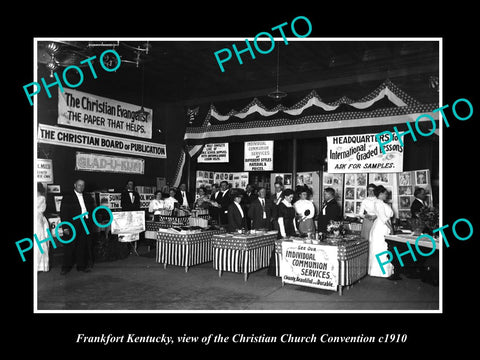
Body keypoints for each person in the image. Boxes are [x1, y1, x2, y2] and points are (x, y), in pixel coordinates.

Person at [59, 179, 95, 274]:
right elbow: (63, 213)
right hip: (73, 224)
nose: (81, 187)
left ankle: (81, 267)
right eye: (79, 185)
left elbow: (91, 210)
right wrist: (65, 227)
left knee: (82, 246)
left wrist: (90, 222)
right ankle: (65, 268)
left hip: (85, 223)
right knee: (70, 247)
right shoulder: (68, 197)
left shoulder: (87, 196)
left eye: (83, 185)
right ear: (75, 185)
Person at [368, 185, 395, 279]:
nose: (386, 195)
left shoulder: (380, 203)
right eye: (385, 194)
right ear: (380, 194)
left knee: (383, 248)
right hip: (381, 228)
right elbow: (383, 218)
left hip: (382, 227)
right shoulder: (378, 203)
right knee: (381, 249)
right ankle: (380, 272)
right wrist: (391, 228)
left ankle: (384, 271)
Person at [35, 183, 50, 272]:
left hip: (38, 222)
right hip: (37, 221)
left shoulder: (41, 198)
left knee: (38, 243)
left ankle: (38, 266)